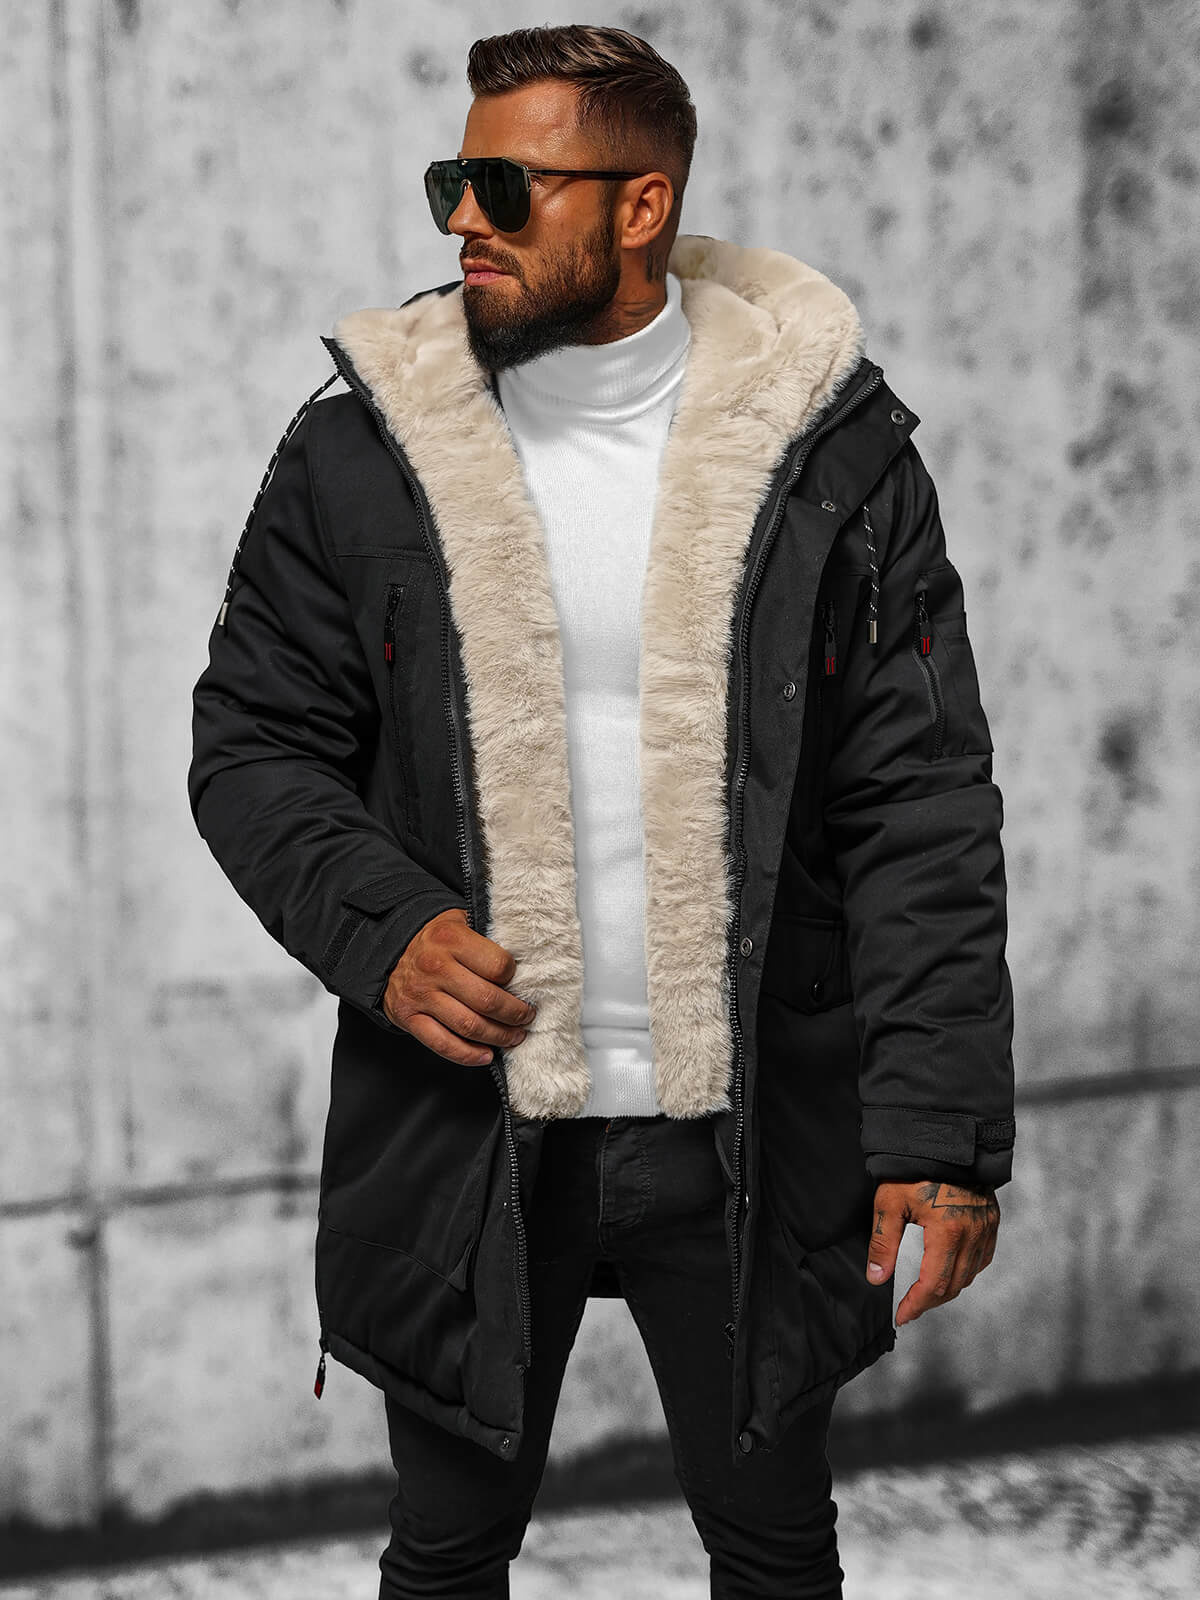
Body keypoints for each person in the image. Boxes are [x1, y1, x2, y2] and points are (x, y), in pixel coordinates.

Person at [188, 23, 1015, 1600]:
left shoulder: (828, 454)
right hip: (467, 1121)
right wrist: (386, 930)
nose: (464, 218)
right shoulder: (362, 452)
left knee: (776, 1549)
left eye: (508, 185)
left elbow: (917, 801)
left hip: (752, 1120)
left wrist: (939, 1135)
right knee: (446, 1555)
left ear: (643, 207)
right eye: (452, 179)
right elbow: (253, 744)